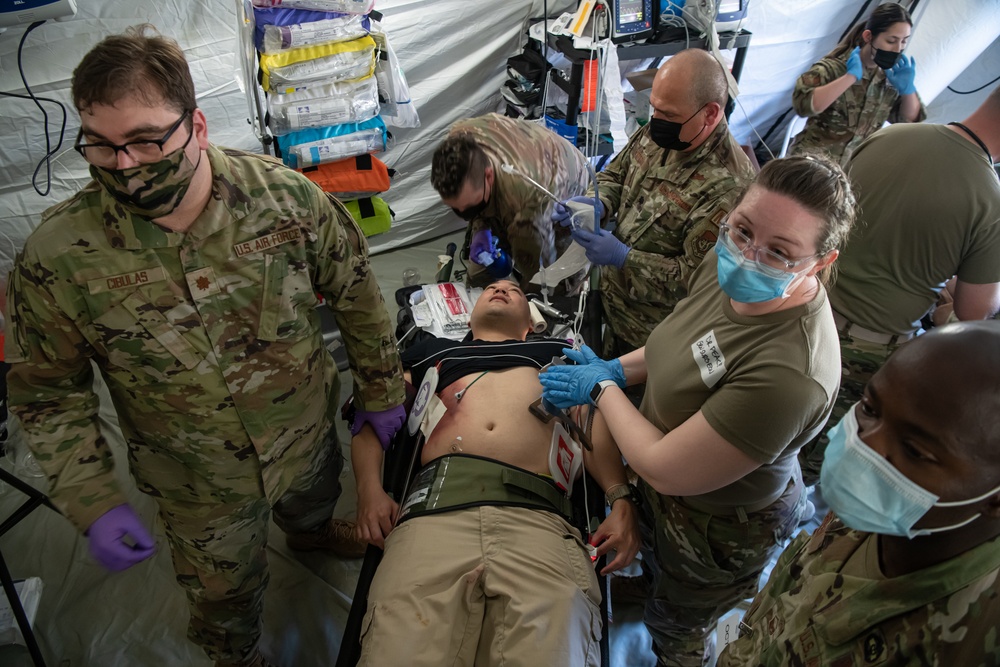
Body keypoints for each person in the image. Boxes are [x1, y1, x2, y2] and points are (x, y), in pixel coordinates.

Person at [3, 26, 406, 667]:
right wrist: (90, 498)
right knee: (223, 594)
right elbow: (46, 391)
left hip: (303, 435)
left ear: (196, 125)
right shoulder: (59, 256)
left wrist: (382, 390)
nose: (125, 164)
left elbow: (356, 292)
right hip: (196, 484)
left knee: (313, 501)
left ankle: (307, 535)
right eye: (101, 147)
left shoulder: (284, 199)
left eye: (144, 140)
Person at [540, 155, 854, 667]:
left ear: (819, 263)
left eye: (779, 252)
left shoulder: (790, 374)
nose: (748, 255)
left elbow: (666, 468)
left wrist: (600, 388)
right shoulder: (726, 262)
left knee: (677, 624)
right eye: (743, 229)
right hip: (665, 473)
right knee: (658, 576)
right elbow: (681, 345)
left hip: (716, 526)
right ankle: (656, 580)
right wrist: (618, 370)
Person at [352, 280, 641, 667]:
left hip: (540, 526)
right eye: (492, 287)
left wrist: (619, 496)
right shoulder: (431, 353)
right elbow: (374, 413)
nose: (502, 288)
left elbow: (589, 417)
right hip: (434, 521)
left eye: (515, 290)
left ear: (531, 323)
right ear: (467, 317)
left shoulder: (556, 353)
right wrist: (369, 490)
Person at [718, 320, 1000, 666]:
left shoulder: (976, 638)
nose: (863, 446)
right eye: (869, 409)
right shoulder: (870, 507)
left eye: (914, 450)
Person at [797, 85, 1000, 487]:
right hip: (866, 351)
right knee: (813, 459)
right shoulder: (990, 201)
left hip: (806, 308)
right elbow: (974, 317)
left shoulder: (889, 135)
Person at [553, 48, 756, 361]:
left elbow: (698, 283)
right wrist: (598, 202)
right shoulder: (664, 129)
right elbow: (617, 175)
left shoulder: (731, 190)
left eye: (668, 115)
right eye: (655, 108)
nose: (655, 120)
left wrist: (625, 258)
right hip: (613, 306)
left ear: (710, 114)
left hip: (654, 339)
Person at [431, 113, 591, 290]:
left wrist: (526, 298)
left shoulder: (528, 201)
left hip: (568, 180)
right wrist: (481, 226)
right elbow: (475, 201)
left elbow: (540, 277)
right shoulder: (456, 143)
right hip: (519, 169)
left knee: (557, 279)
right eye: (456, 208)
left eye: (471, 206)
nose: (464, 216)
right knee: (480, 277)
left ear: (489, 176)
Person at [789, 2, 924, 167]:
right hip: (809, 164)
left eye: (903, 42)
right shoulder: (833, 68)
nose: (897, 49)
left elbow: (909, 121)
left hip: (849, 171)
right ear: (869, 37)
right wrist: (849, 77)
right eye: (891, 40)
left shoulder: (890, 77)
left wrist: (908, 90)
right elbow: (803, 106)